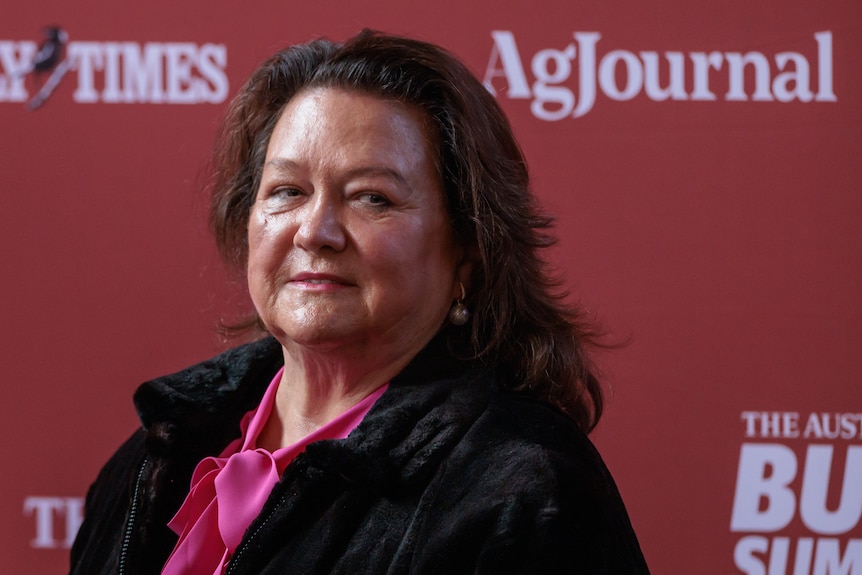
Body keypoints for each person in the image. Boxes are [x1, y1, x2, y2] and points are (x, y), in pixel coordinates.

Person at [69, 30, 650, 575]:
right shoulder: (157, 454)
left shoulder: (525, 491)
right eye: (288, 191)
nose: (315, 231)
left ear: (469, 250)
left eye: (372, 198)